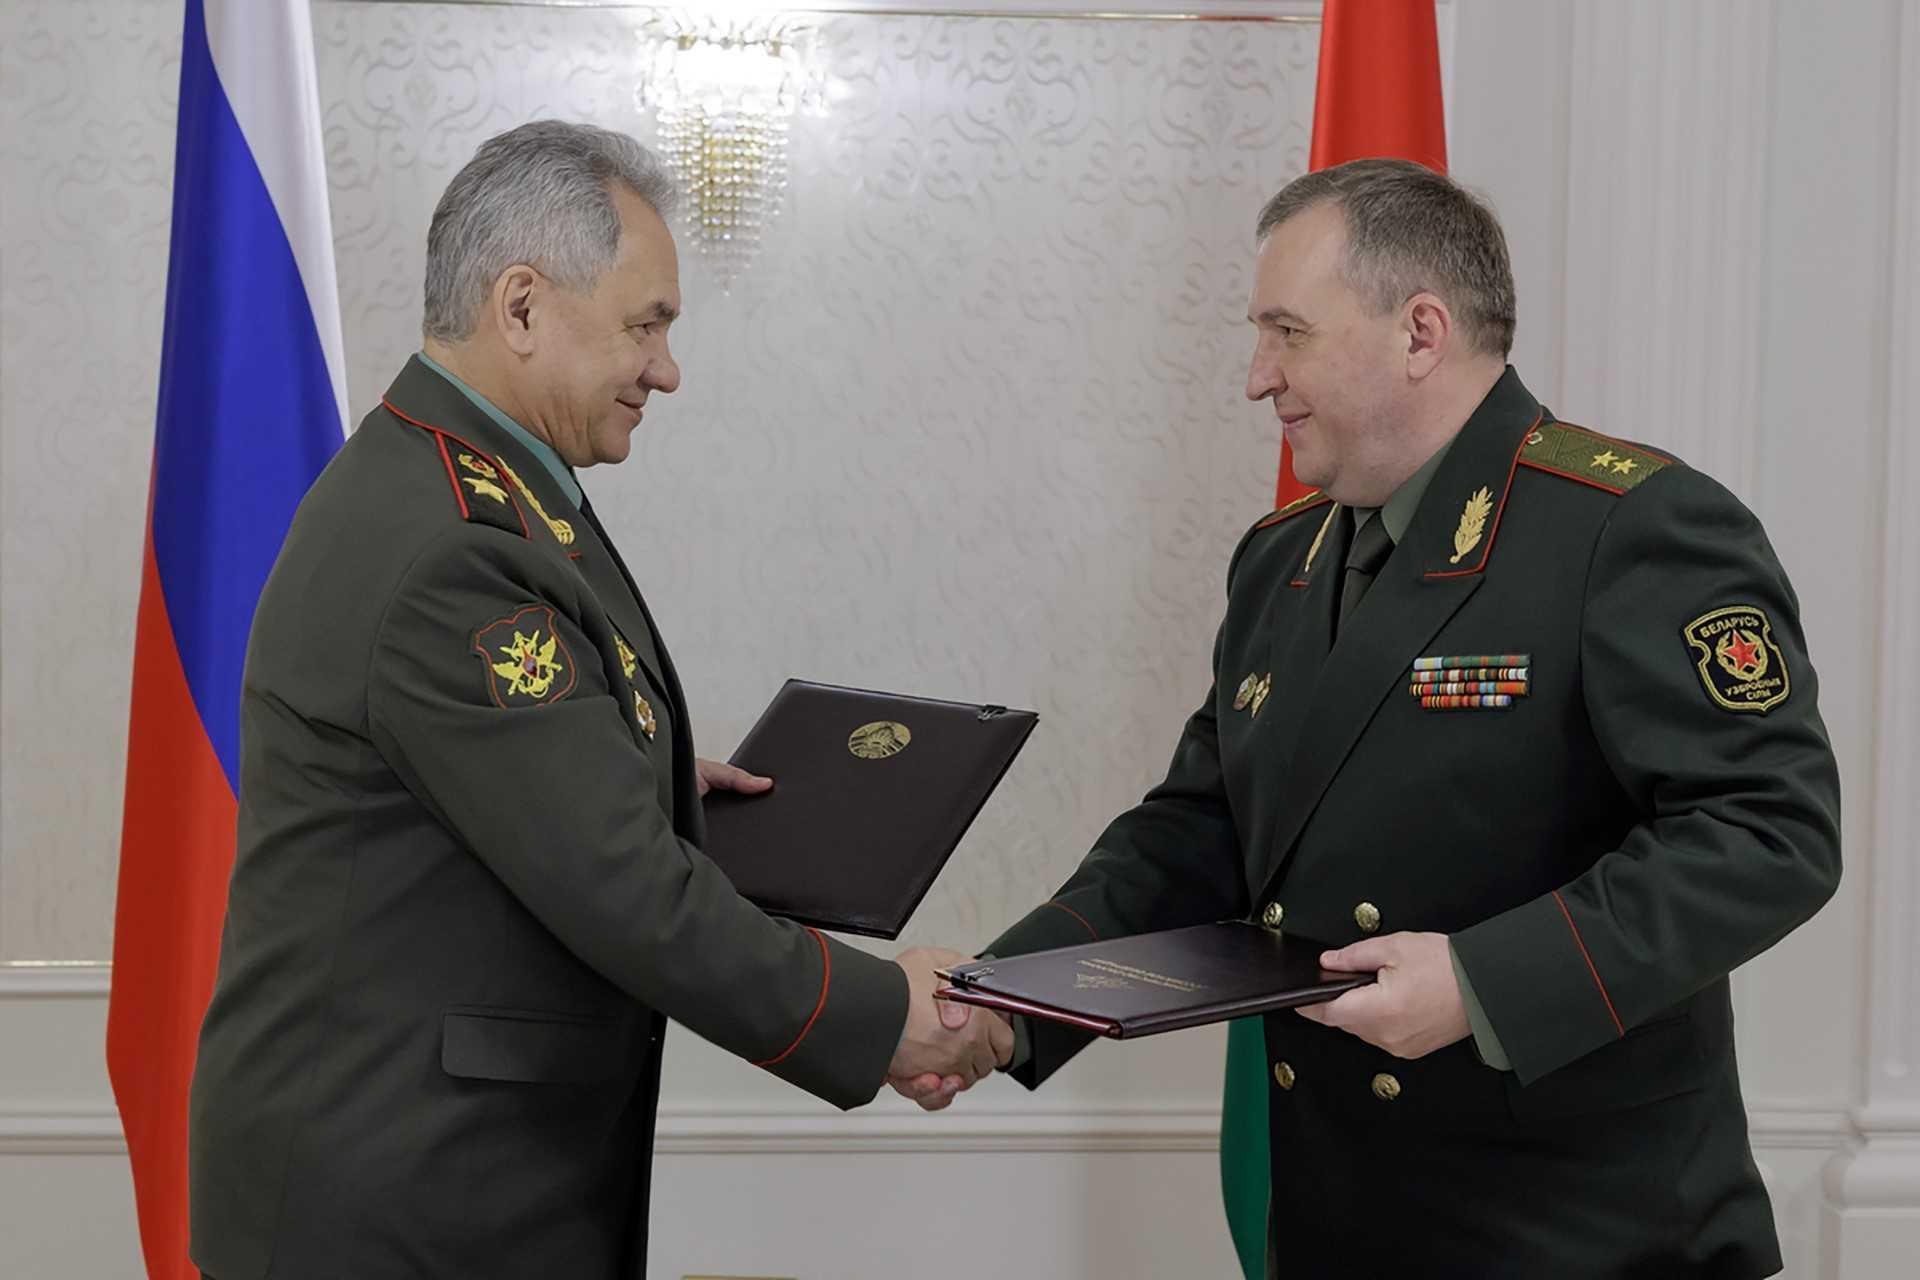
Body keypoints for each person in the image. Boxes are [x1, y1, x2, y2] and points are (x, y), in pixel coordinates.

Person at [899, 158, 1841, 1278]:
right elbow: (1199, 831)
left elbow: (1766, 832)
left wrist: (1485, 983)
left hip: (1581, 1230)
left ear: (1421, 332)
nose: (1258, 377)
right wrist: (1005, 998)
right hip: (1342, 1214)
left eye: (1288, 333)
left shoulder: (1628, 526)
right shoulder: (1280, 559)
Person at [186, 120, 1004, 1280]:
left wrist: (636, 768)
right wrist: (879, 1013)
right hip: (399, 1201)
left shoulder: (475, 490)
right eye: (645, 324)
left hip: (444, 1177)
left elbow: (514, 785)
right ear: (521, 307)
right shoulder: (452, 544)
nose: (666, 368)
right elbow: (619, 883)